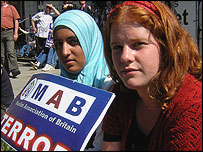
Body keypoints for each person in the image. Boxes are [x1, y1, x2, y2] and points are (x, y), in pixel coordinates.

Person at [102, 1, 202, 151]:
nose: (125, 57)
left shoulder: (192, 106)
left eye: (138, 44)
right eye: (117, 47)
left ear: (166, 47)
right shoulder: (119, 96)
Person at [53, 9, 113, 150]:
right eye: (58, 44)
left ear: (90, 40)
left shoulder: (109, 86)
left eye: (73, 41)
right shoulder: (58, 86)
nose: (65, 52)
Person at [1, 1, 21, 77]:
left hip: (9, 31)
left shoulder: (11, 8)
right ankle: (5, 70)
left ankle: (14, 69)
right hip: (1, 32)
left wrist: (15, 33)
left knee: (10, 51)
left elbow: (16, 20)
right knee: (2, 54)